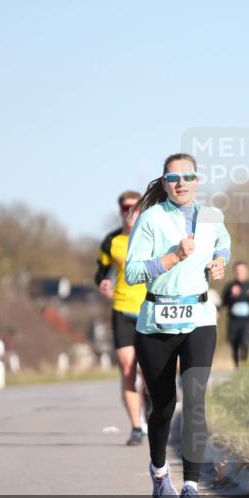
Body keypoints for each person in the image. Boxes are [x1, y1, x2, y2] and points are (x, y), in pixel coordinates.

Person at [125, 152, 231, 498]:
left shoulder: (212, 215)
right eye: (172, 178)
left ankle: (191, 488)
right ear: (165, 182)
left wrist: (220, 261)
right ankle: (159, 473)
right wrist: (172, 257)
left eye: (187, 176)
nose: (180, 183)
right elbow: (132, 273)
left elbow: (223, 243)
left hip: (199, 317)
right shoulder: (151, 219)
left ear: (197, 180)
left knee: (195, 401)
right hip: (156, 322)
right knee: (164, 406)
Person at [95, 190, 149, 446]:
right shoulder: (111, 241)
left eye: (135, 207)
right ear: (120, 211)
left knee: (151, 371)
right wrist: (103, 283)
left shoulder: (152, 236)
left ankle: (148, 398)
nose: (130, 212)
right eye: (126, 208)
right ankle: (136, 427)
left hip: (150, 310)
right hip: (122, 310)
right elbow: (101, 272)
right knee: (128, 368)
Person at [222, 261, 249, 368]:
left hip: (247, 321)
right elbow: (224, 303)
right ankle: (237, 366)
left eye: (242, 270)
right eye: (237, 270)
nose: (239, 272)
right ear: (234, 272)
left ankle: (245, 362)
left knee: (245, 342)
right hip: (233, 321)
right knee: (234, 344)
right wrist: (231, 295)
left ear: (246, 271)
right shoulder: (229, 286)